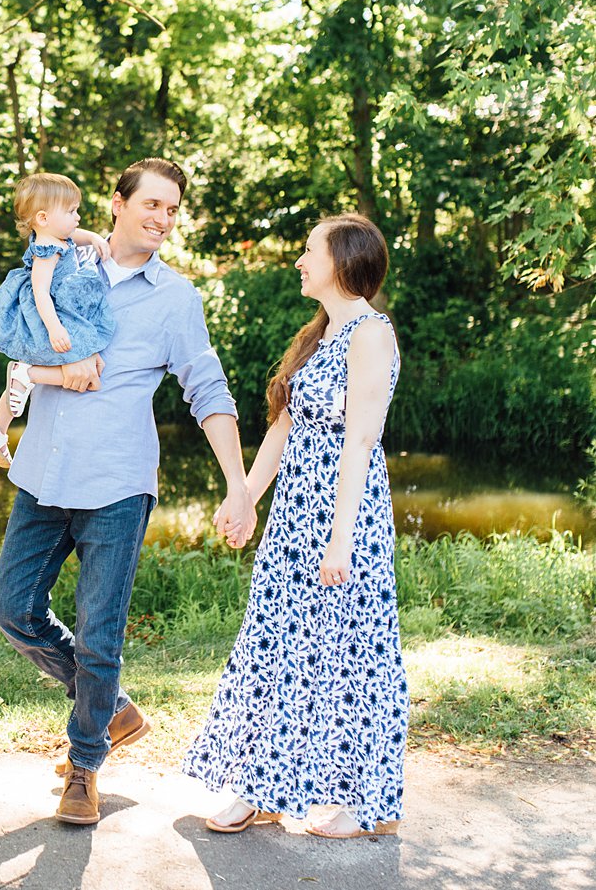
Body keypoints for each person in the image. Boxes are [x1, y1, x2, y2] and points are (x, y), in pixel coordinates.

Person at [0, 158, 256, 826]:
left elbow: (209, 391)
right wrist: (46, 378)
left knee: (101, 637)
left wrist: (240, 485)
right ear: (117, 202)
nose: (162, 218)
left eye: (172, 208)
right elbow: (18, 350)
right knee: (14, 609)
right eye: (151, 205)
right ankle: (114, 708)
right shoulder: (60, 267)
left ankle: (85, 765)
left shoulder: (176, 299)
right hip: (43, 474)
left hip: (118, 483)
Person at [182, 213, 405, 840]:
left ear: (343, 261)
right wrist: (245, 498)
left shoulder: (370, 333)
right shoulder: (322, 333)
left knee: (354, 655)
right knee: (277, 645)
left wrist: (341, 539)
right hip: (293, 516)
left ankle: (368, 804)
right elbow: (285, 429)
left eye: (310, 251)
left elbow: (359, 441)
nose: (300, 261)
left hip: (341, 516)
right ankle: (265, 788)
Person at [0, 173, 115, 468]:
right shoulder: (46, 252)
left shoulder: (54, 236)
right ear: (43, 217)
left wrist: (91, 237)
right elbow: (40, 292)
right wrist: (55, 328)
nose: (78, 217)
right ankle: (30, 376)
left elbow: (73, 236)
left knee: (89, 369)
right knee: (94, 373)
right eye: (71, 211)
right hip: (52, 315)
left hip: (59, 311)